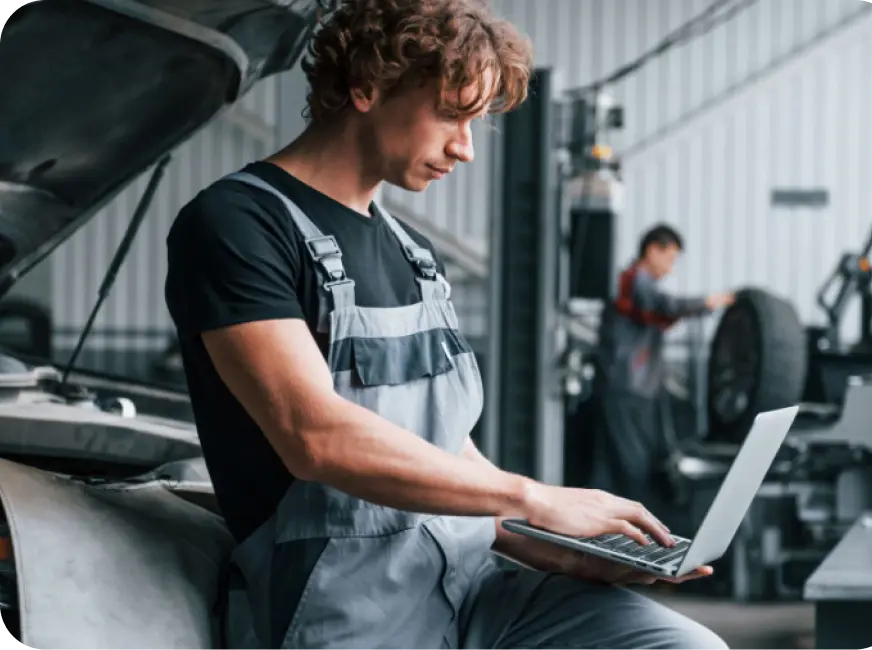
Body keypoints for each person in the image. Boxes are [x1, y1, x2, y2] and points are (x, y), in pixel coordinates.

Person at [164, 1, 728, 648]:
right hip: (351, 608)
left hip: (474, 584)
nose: (464, 148)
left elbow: (445, 446)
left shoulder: (413, 253)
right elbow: (312, 435)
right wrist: (531, 497)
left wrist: (557, 546)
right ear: (366, 86)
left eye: (476, 122)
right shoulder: (240, 226)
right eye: (453, 114)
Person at [591, 224, 735, 509]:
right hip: (625, 390)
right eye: (669, 259)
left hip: (638, 389)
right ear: (652, 250)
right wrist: (706, 303)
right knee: (631, 463)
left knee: (634, 462)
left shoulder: (638, 288)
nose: (670, 269)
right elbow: (663, 305)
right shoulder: (632, 282)